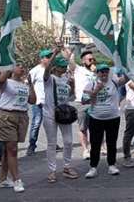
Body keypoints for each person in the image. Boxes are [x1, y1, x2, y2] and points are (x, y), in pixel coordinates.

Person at [0, 63, 37, 193]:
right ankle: (16, 180)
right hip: (7, 116)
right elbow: (1, 80)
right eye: (18, 65)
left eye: (22, 66)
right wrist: (8, 66)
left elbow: (33, 100)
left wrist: (30, 84)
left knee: (8, 150)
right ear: (12, 69)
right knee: (12, 149)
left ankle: (2, 180)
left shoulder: (24, 85)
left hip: (21, 117)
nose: (22, 67)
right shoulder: (6, 82)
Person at [83, 63, 130, 178]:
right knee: (95, 143)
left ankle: (112, 165)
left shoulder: (113, 81)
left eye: (106, 71)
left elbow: (127, 78)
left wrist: (126, 65)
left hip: (113, 117)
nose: (104, 74)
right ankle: (93, 167)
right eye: (101, 72)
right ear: (97, 73)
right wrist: (95, 91)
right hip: (96, 118)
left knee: (111, 142)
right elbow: (84, 101)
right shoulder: (91, 84)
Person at [42, 48, 79, 183]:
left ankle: (67, 167)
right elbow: (47, 69)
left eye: (65, 66)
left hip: (64, 113)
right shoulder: (49, 79)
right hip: (50, 114)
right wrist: (54, 54)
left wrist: (73, 86)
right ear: (56, 67)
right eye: (62, 67)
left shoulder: (66, 79)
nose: (64, 69)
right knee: (52, 143)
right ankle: (52, 170)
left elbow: (71, 97)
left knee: (68, 141)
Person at [27, 49, 53, 156]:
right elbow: (29, 84)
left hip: (50, 102)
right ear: (41, 59)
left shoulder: (53, 70)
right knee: (36, 124)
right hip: (38, 102)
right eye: (47, 57)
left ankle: (52, 143)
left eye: (50, 56)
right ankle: (32, 145)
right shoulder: (34, 71)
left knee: (51, 124)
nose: (49, 59)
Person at [71, 50, 97, 160]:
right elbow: (70, 60)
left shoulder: (96, 72)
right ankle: (86, 150)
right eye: (89, 59)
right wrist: (63, 48)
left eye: (93, 59)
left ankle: (98, 147)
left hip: (94, 102)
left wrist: (97, 72)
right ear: (83, 61)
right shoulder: (79, 70)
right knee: (83, 128)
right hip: (81, 103)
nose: (92, 61)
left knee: (96, 127)